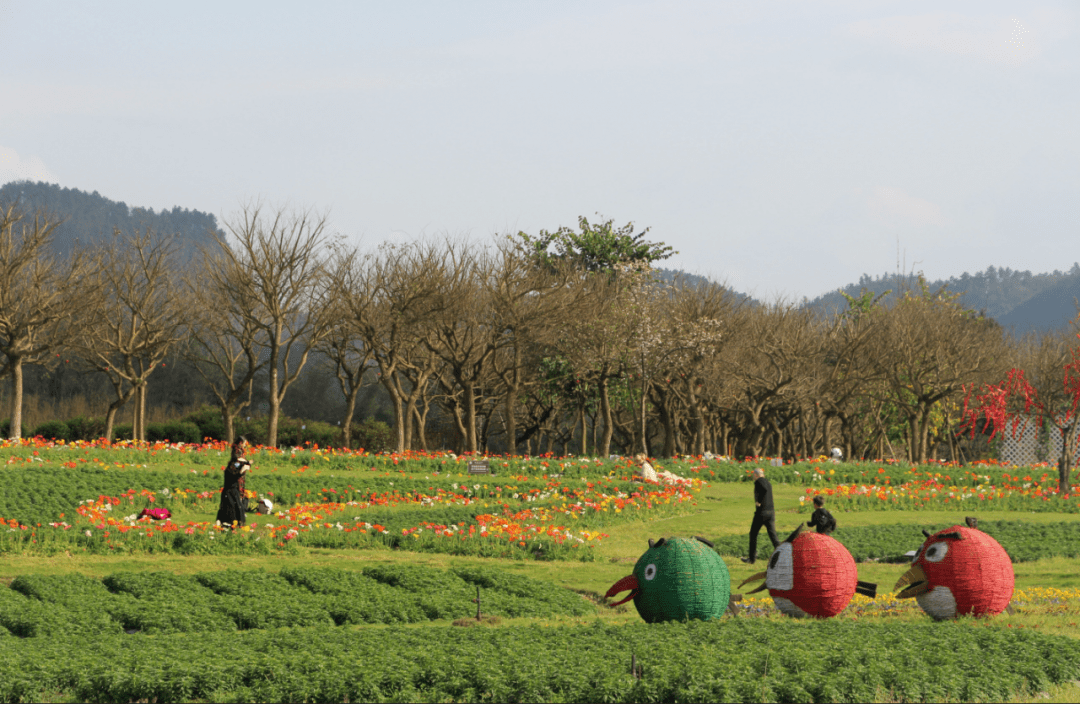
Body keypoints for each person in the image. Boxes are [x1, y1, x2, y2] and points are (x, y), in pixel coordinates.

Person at [743, 467, 779, 564]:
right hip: (771, 512)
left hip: (762, 513)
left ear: (756, 475)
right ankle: (783, 554)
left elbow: (764, 489)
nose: (753, 478)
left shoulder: (759, 481)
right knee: (773, 535)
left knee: (753, 534)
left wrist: (758, 501)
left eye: (753, 476)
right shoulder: (768, 481)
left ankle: (752, 558)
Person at [216, 436, 251, 528]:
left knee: (237, 502)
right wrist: (244, 466)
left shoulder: (239, 450)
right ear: (241, 442)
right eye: (244, 442)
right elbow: (237, 459)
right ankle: (229, 522)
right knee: (233, 502)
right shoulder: (236, 451)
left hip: (236, 476)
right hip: (231, 486)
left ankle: (233, 521)